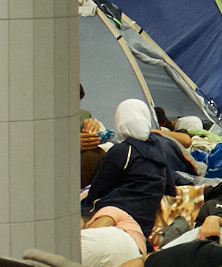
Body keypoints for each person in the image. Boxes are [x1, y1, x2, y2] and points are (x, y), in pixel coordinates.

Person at [82, 99, 197, 235]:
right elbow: (170, 187)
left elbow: (99, 190)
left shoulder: (122, 151)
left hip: (117, 212)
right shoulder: (158, 148)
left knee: (81, 219)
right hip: (144, 223)